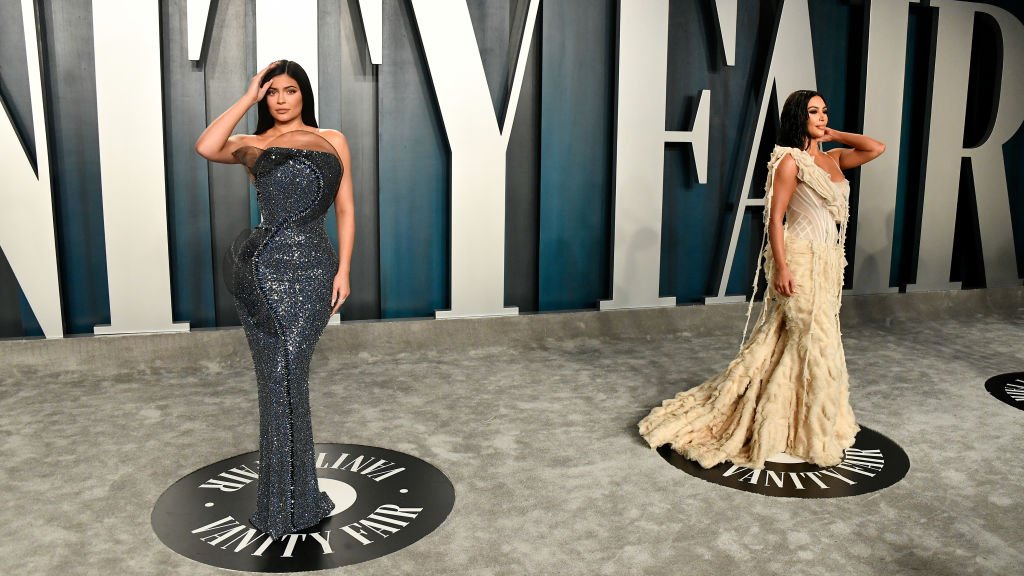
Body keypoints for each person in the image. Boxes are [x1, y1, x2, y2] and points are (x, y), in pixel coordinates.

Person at [638, 90, 885, 470]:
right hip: (800, 258)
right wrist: (783, 268)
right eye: (813, 112)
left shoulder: (834, 159)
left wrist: (833, 134)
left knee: (792, 341)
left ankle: (786, 423)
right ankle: (807, 433)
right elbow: (775, 218)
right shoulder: (788, 161)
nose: (821, 117)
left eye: (825, 111)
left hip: (829, 262)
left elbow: (875, 147)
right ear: (796, 117)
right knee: (814, 340)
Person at [195, 60, 354, 539]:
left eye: (290, 90)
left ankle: (294, 497)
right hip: (261, 270)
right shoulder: (251, 145)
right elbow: (205, 146)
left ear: (304, 94)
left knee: (290, 375)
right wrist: (246, 97)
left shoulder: (334, 139)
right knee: (277, 380)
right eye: (272, 93)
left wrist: (344, 269)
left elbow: (345, 209)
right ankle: (288, 501)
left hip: (314, 269)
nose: (281, 100)